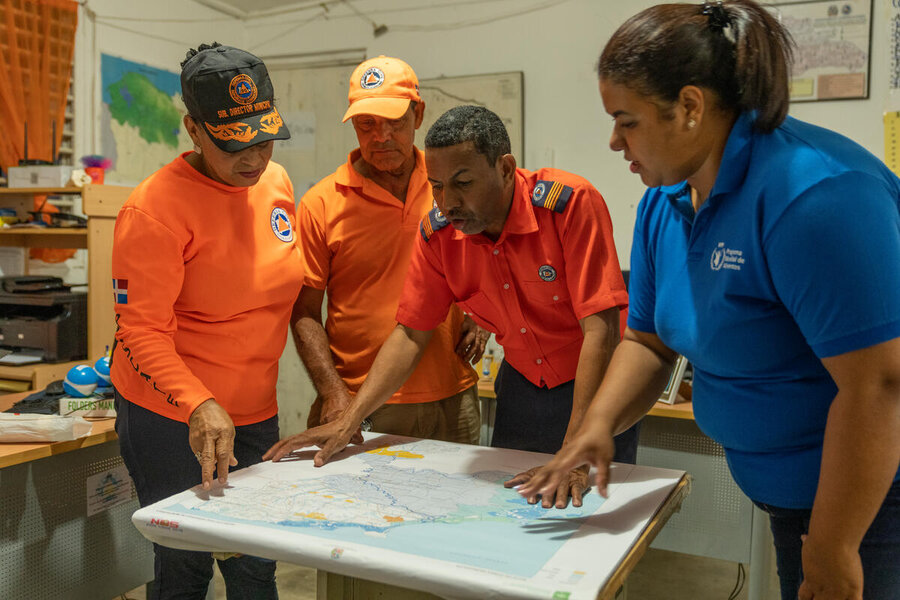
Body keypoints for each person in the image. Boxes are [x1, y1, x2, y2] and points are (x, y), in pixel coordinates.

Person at [518, 2, 900, 599]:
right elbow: (647, 341)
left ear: (691, 107)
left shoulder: (816, 197)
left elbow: (878, 384)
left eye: (627, 120)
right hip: (795, 498)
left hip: (871, 501)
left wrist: (833, 544)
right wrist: (596, 428)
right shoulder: (663, 202)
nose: (613, 141)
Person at [266, 105, 636, 509]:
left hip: (597, 382)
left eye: (463, 183)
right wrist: (347, 421)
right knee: (513, 511)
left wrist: (576, 452)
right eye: (437, 186)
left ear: (506, 168)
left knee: (591, 516)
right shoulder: (439, 235)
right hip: (525, 383)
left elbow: (600, 329)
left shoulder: (568, 205)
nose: (447, 202)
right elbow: (410, 333)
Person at [111, 43, 299, 599]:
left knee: (256, 561)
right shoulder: (154, 211)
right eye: (233, 144)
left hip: (255, 409)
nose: (254, 159)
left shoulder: (277, 184)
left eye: (264, 140)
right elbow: (139, 330)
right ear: (194, 130)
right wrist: (198, 402)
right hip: (172, 417)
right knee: (185, 564)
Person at [294, 56, 482, 446]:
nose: (380, 137)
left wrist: (484, 316)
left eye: (394, 122)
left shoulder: (449, 183)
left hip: (454, 390)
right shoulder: (321, 203)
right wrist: (332, 391)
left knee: (460, 505)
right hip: (365, 401)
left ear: (418, 113)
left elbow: (488, 253)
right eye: (366, 125)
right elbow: (304, 312)